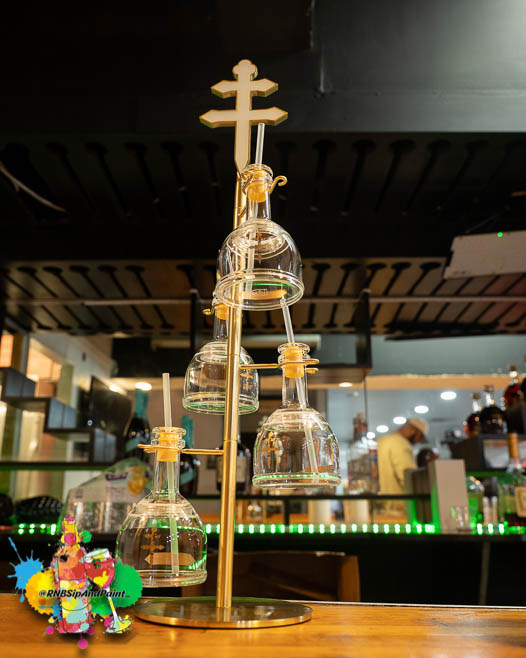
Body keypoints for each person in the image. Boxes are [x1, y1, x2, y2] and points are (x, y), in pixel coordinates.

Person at [377, 418, 428, 496]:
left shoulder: (381, 441)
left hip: (381, 499)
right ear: (413, 431)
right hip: (397, 500)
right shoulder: (401, 443)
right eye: (420, 437)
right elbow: (408, 478)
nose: (417, 441)